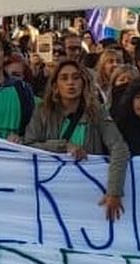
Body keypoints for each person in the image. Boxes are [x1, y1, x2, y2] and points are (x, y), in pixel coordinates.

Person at [23, 59, 129, 221]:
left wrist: (114, 191)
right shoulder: (42, 112)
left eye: (76, 77)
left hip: (88, 193)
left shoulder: (97, 112)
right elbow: (29, 146)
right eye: (64, 78)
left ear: (84, 82)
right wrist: (63, 146)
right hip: (51, 191)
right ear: (55, 85)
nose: (71, 83)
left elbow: (119, 147)